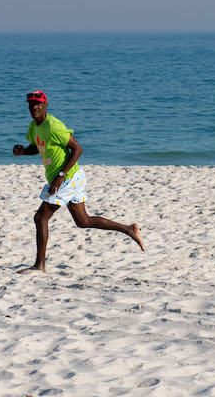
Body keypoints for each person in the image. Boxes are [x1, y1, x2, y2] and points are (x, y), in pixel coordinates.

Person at [12, 90, 144, 273]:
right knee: (83, 221)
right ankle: (129, 229)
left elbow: (78, 149)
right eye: (31, 104)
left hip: (68, 177)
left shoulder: (54, 126)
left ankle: (39, 266)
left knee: (40, 218)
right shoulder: (34, 126)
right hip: (72, 176)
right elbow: (37, 148)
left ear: (45, 106)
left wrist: (61, 175)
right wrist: (23, 151)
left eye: (38, 104)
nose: (34, 107)